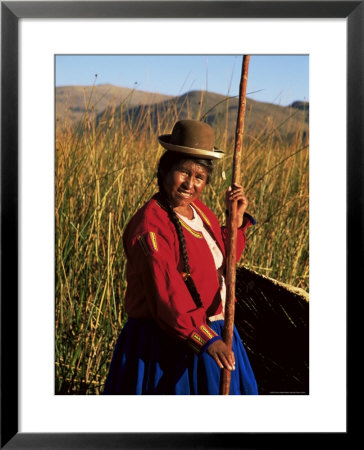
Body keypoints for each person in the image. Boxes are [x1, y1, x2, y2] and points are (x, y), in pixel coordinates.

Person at [103, 119, 258, 395]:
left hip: (216, 332)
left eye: (199, 178)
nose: (190, 184)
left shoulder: (199, 211)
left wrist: (233, 224)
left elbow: (222, 263)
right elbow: (167, 294)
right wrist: (206, 341)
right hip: (169, 343)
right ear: (165, 170)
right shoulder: (150, 226)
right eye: (183, 172)